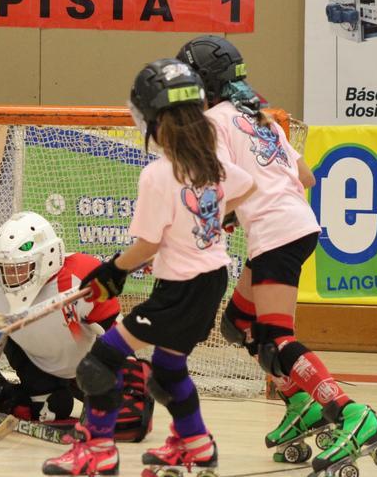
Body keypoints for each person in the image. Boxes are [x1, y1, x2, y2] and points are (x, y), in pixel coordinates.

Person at [178, 35, 377, 473]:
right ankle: (303, 403)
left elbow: (222, 184)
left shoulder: (214, 123)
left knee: (278, 339)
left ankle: (352, 414)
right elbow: (307, 176)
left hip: (278, 234)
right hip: (294, 226)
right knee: (239, 323)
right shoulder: (259, 117)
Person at [41, 59, 254, 476]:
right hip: (211, 283)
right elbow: (249, 187)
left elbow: (148, 245)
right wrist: (211, 218)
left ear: (153, 119)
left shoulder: (159, 174)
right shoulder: (212, 164)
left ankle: (97, 450)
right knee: (168, 370)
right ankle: (197, 445)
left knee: (99, 361)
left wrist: (111, 272)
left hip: (180, 290)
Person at [0, 211, 154, 443]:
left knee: (128, 422)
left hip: (89, 369)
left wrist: (128, 385)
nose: (9, 278)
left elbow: (119, 340)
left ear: (48, 256)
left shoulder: (82, 275)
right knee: (54, 407)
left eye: (18, 268)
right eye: (4, 269)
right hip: (36, 364)